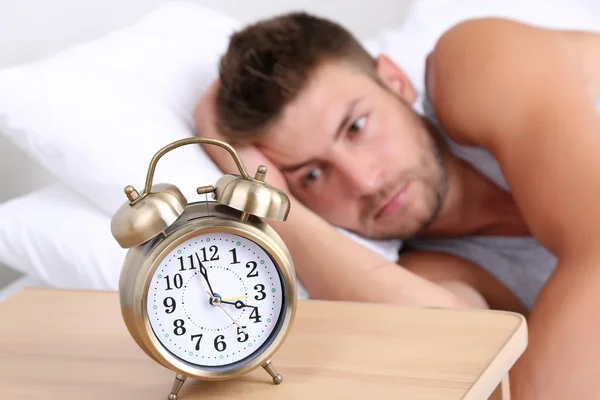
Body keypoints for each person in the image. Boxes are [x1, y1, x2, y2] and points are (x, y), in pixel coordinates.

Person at [194, 12, 600, 399]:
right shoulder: (429, 272)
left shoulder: (475, 67)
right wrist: (273, 209)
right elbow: (475, 369)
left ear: (396, 81)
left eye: (356, 127)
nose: (365, 181)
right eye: (313, 176)